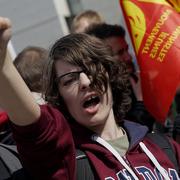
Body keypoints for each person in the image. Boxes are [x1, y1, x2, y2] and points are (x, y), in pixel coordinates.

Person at [0, 17, 179, 180]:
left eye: (91, 69)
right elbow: (36, 130)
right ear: (60, 98)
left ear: (109, 74)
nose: (85, 82)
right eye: (69, 80)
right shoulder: (67, 163)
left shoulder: (164, 147)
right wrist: (3, 63)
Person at [86, 23, 156, 131]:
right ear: (101, 61)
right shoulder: (98, 99)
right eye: (120, 53)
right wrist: (141, 102)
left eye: (127, 49)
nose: (128, 57)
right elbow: (131, 135)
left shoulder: (134, 82)